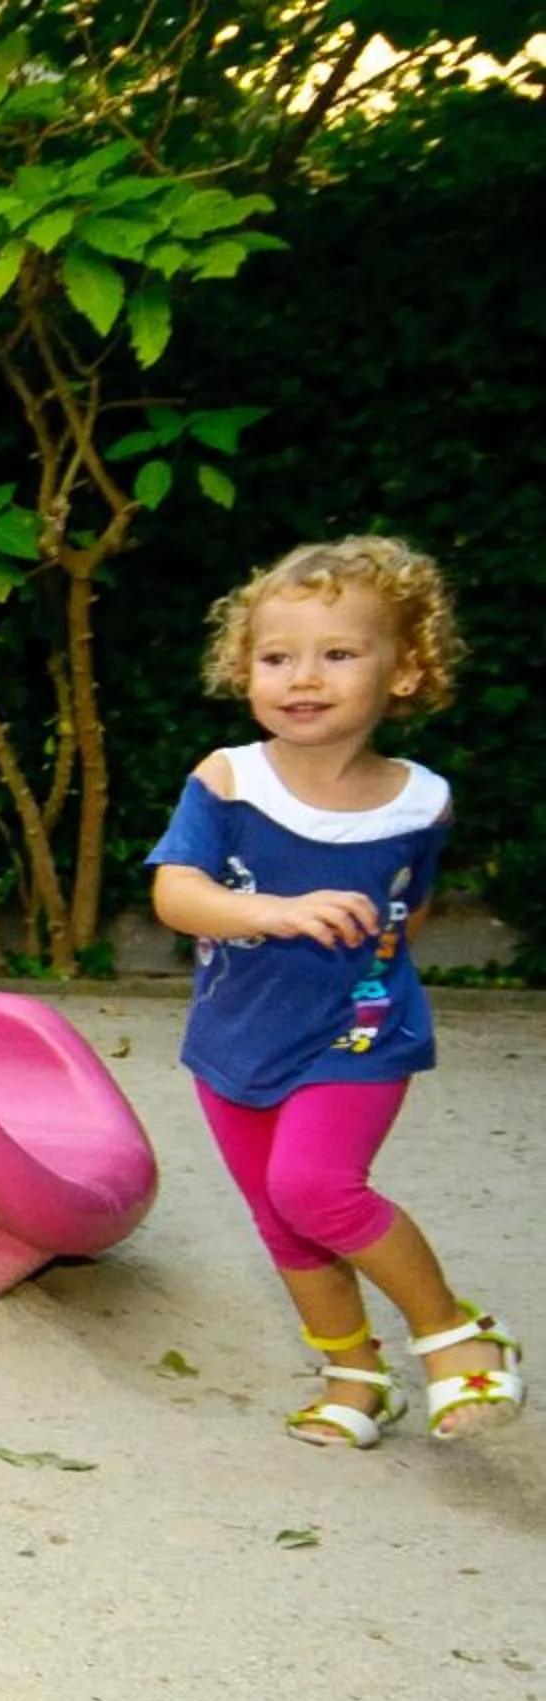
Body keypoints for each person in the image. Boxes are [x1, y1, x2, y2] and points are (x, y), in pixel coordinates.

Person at [146, 535, 520, 1448]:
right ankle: (355, 1373)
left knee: (316, 1186)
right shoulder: (228, 778)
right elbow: (175, 894)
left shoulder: (420, 800)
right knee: (282, 1217)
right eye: (277, 658)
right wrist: (273, 911)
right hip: (236, 1038)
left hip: (358, 1036)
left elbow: (411, 906)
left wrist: (373, 982)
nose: (302, 677)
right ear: (246, 671)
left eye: (338, 654)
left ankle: (453, 1335)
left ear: (405, 671)